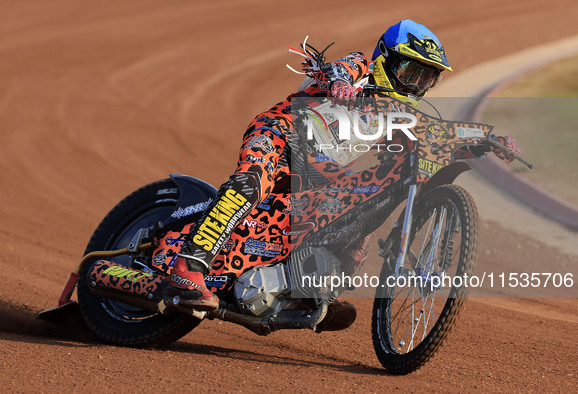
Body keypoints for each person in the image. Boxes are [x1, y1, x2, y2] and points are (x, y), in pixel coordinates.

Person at [162, 19, 520, 312]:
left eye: (426, 78)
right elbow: (340, 68)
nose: (415, 85)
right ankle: (187, 267)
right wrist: (342, 83)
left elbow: (438, 136)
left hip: (315, 169)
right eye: (410, 72)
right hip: (278, 135)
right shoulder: (360, 68)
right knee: (251, 184)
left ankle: (307, 287)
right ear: (386, 60)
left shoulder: (399, 113)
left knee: (358, 211)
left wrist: (486, 140)